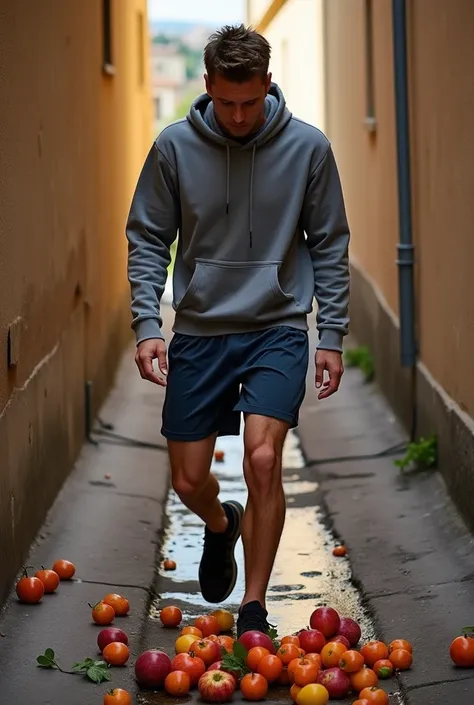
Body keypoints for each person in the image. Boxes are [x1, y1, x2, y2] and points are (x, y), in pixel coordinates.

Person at [126, 24, 350, 637]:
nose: (239, 116)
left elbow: (329, 243)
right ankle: (222, 524)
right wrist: (149, 324)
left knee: (262, 457)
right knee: (189, 479)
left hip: (277, 326)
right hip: (200, 329)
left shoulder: (308, 149)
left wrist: (330, 334)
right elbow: (148, 236)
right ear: (208, 87)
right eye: (226, 102)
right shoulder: (174, 148)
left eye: (250, 102)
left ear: (267, 86)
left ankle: (253, 607)